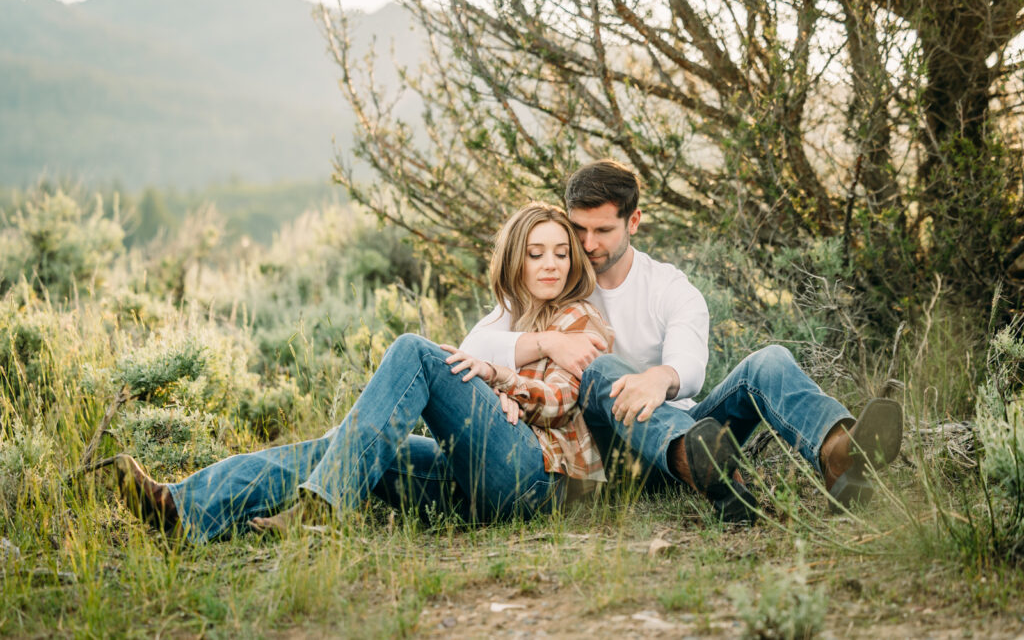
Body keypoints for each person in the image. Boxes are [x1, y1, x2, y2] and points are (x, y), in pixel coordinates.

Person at [109, 202, 612, 542]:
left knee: (414, 352)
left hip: (538, 480)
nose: (552, 265)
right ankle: (182, 509)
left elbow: (560, 400)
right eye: (536, 253)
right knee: (343, 446)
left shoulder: (580, 317)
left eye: (562, 254)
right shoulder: (505, 318)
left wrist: (504, 383)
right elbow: (476, 362)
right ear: (514, 261)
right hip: (475, 481)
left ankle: (321, 509)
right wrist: (491, 385)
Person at [460, 159, 903, 522]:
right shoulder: (555, 278)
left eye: (603, 231)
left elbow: (691, 366)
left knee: (769, 360)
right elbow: (471, 348)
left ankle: (838, 453)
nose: (587, 244)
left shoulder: (669, 288)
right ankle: (706, 468)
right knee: (601, 369)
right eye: (578, 230)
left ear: (633, 221)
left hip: (692, 435)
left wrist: (661, 379)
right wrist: (548, 343)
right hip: (610, 454)